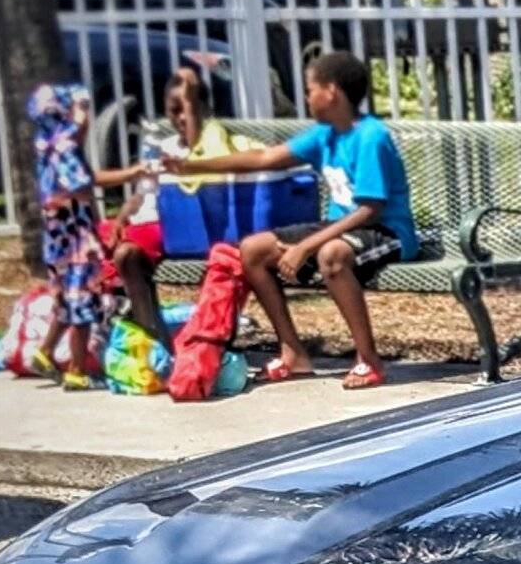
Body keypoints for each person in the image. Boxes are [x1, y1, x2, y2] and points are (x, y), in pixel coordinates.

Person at [168, 46, 414, 387]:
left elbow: (370, 209)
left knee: (331, 255)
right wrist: (193, 166)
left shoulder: (371, 137)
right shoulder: (325, 134)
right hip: (340, 228)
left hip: (385, 230)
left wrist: (305, 247)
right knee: (253, 249)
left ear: (331, 92)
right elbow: (264, 158)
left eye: (310, 90)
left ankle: (369, 360)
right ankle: (293, 354)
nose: (307, 99)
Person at [94, 64, 232, 341]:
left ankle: (149, 335)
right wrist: (120, 220)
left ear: (203, 109)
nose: (181, 117)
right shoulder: (164, 146)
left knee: (126, 254)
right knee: (91, 239)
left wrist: (190, 99)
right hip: (142, 222)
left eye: (187, 109)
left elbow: (196, 152)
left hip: (174, 225)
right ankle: (103, 321)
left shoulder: (210, 143)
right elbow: (140, 195)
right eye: (174, 111)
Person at [24, 82, 118, 391]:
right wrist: (133, 173)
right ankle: (77, 371)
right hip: (75, 241)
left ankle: (45, 351)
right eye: (83, 109)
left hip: (58, 241)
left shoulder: (47, 144)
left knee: (67, 302)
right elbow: (83, 186)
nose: (87, 116)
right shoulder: (66, 150)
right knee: (82, 308)